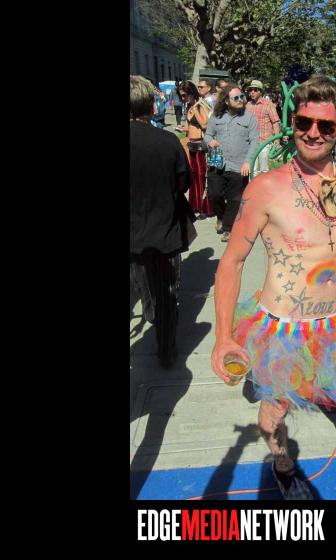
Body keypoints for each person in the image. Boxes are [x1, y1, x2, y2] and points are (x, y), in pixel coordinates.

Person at [210, 76, 336, 501]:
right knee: (273, 417)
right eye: (304, 122)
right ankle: (283, 465)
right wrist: (223, 337)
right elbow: (231, 263)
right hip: (281, 331)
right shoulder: (266, 188)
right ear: (293, 122)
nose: (313, 133)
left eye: (325, 125)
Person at [130, 75, 194, 368]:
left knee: (145, 287)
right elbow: (184, 182)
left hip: (135, 235)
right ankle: (166, 349)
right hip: (166, 229)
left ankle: (152, 315)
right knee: (167, 293)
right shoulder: (168, 141)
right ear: (151, 106)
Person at [204, 83, 259, 242]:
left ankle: (228, 228)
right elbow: (208, 135)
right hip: (217, 164)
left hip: (239, 166)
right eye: (236, 97)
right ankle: (221, 217)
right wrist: (210, 141)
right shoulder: (216, 116)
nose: (241, 99)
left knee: (235, 199)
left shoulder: (249, 118)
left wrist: (248, 162)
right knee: (214, 195)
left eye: (242, 96)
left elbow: (255, 141)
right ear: (227, 101)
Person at [179, 80, 213, 218]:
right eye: (181, 96)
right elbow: (191, 126)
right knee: (194, 175)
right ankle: (196, 204)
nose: (183, 98)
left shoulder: (200, 105)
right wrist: (184, 128)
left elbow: (205, 124)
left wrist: (196, 108)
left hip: (201, 146)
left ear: (191, 93)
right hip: (192, 144)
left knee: (201, 176)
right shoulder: (191, 106)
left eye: (184, 95)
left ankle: (205, 206)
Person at [245, 79, 281, 176]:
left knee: (264, 169)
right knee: (252, 168)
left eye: (255, 90)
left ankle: (264, 185)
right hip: (251, 142)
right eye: (250, 90)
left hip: (264, 141)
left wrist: (277, 139)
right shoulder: (248, 105)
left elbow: (275, 122)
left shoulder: (268, 104)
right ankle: (252, 185)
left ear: (261, 92)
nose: (252, 92)